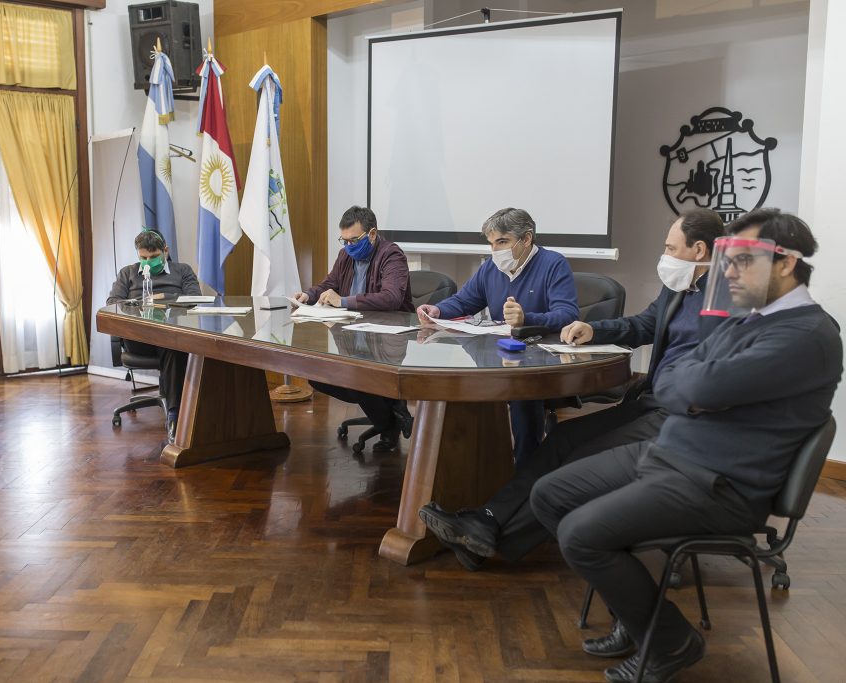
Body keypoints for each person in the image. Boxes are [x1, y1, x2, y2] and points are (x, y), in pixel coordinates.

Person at [530, 208, 842, 683]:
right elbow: (678, 378)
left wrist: (693, 385)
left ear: (785, 264)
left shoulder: (807, 334)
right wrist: (693, 384)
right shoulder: (748, 319)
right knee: (549, 495)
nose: (728, 271)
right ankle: (637, 620)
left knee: (581, 535)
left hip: (720, 483)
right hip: (672, 455)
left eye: (742, 259)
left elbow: (694, 387)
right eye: (725, 260)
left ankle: (671, 642)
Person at [418, 209, 727, 577]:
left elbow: (718, 373)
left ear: (699, 249)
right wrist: (593, 330)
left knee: (575, 462)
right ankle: (485, 525)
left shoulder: (726, 301)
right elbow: (644, 324)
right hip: (652, 403)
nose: (664, 255)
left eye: (669, 247)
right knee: (564, 438)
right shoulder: (679, 287)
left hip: (681, 418)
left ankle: (487, 529)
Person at [416, 207, 578, 463]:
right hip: (501, 353)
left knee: (521, 393)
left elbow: (567, 314)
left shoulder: (553, 263)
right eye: (492, 243)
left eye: (502, 242)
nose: (495, 251)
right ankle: (473, 466)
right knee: (464, 386)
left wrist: (528, 319)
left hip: (541, 358)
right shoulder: (490, 268)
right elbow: (464, 301)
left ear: (526, 239)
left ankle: (526, 469)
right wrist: (438, 309)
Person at [292, 206, 415, 451]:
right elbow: (330, 283)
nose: (348, 246)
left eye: (354, 240)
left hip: (387, 339)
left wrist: (343, 301)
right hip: (353, 335)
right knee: (319, 378)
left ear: (372, 234)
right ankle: (391, 409)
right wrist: (308, 294)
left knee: (358, 378)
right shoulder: (345, 255)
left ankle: (387, 425)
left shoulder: (392, 256)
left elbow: (391, 298)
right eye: (344, 241)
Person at [107, 229, 202, 443]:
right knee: (172, 346)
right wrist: (138, 305)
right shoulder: (128, 273)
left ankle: (174, 416)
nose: (148, 262)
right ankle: (176, 413)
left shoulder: (182, 270)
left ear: (165, 251)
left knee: (171, 344)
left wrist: (162, 298)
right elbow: (113, 303)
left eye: (153, 256)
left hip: (172, 335)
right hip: (139, 339)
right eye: (143, 258)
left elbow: (195, 298)